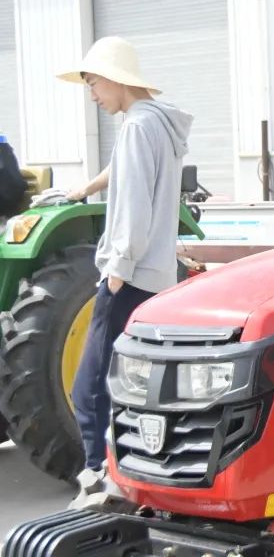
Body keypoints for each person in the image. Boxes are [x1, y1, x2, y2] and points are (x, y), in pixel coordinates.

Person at [56, 35, 193, 496]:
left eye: (93, 83)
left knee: (90, 385)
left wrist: (117, 269)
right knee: (137, 381)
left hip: (129, 275)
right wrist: (85, 189)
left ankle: (98, 475)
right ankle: (135, 469)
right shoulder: (159, 123)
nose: (93, 95)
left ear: (115, 80)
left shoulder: (136, 126)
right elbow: (125, 170)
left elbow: (133, 204)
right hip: (156, 275)